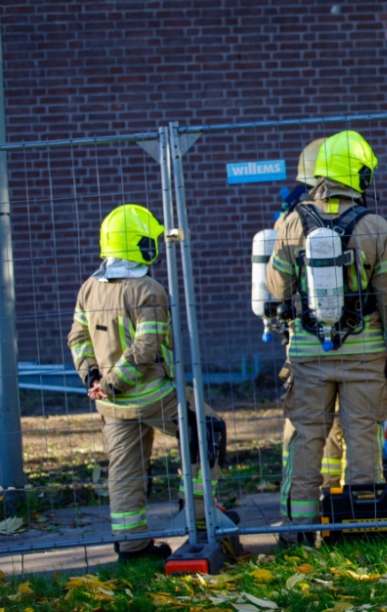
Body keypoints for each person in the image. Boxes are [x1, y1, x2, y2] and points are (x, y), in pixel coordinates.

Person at [267, 130, 387, 545]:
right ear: (357, 175)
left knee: (308, 437)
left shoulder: (292, 222)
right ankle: (362, 526)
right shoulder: (376, 227)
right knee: (363, 433)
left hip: (308, 352)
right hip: (364, 350)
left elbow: (277, 290)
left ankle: (299, 529)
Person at [67, 205, 229, 561]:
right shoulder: (148, 289)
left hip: (110, 405)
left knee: (125, 470)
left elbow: (77, 339)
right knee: (208, 430)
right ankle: (201, 516)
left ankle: (132, 547)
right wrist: (110, 383)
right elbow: (145, 349)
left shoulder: (89, 287)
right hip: (154, 396)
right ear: (137, 245)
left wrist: (92, 377)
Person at [277, 138, 347, 489]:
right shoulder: (363, 220)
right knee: (348, 426)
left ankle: (299, 511)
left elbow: (277, 288)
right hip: (355, 339)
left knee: (304, 426)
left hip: (302, 340)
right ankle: (340, 499)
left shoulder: (289, 221)